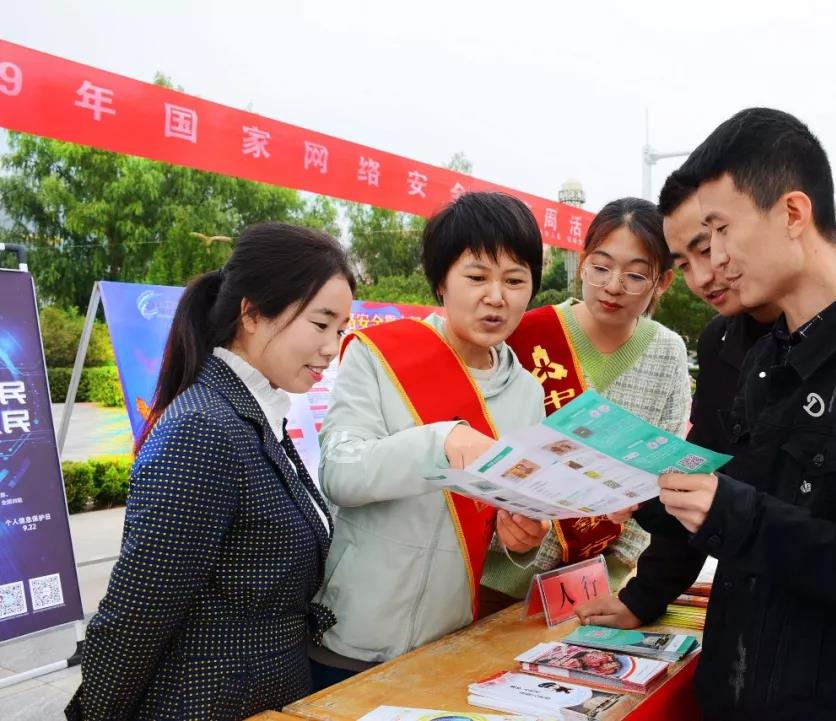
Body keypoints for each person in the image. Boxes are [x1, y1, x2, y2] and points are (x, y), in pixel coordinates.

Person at [579, 168, 836, 721]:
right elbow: (714, 481)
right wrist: (644, 589)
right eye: (686, 261)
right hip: (771, 652)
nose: (708, 272)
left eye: (714, 242)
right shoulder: (727, 340)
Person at [67, 223, 356, 721]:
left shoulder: (254, 412)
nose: (332, 347)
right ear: (252, 313)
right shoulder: (203, 428)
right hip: (204, 704)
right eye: (320, 324)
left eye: (341, 330)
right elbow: (138, 613)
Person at [310, 192, 550, 687]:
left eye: (514, 280)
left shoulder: (527, 392)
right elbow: (340, 473)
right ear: (442, 281)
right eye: (477, 277)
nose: (496, 297)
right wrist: (440, 444)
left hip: (449, 640)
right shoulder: (379, 355)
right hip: (352, 635)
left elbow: (506, 513)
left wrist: (522, 539)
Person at [478, 197, 691, 615]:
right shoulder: (526, 334)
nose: (613, 286)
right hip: (498, 580)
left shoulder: (668, 353)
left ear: (663, 282)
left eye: (635, 275)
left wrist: (619, 571)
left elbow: (663, 473)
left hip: (600, 588)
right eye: (601, 267)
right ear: (582, 263)